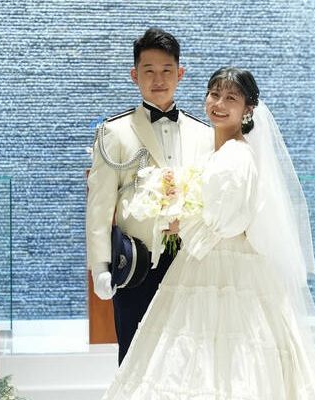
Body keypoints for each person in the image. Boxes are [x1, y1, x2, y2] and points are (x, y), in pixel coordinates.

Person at [100, 67, 315, 399]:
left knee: (223, 356)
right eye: (214, 94)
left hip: (225, 262)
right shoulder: (216, 150)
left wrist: (180, 222)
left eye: (231, 98)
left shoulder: (237, 155)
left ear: (248, 110)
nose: (219, 104)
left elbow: (228, 221)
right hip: (204, 257)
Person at [86, 28, 213, 364]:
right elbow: (99, 206)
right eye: (149, 71)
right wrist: (100, 266)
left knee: (189, 359)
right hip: (137, 264)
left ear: (180, 73)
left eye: (167, 70)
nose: (159, 80)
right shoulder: (114, 131)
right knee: (134, 357)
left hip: (191, 264)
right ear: (135, 75)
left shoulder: (204, 134)